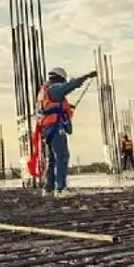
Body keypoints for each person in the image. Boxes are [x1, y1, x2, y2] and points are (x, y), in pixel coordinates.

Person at [35, 66, 97, 196]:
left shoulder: (44, 91)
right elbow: (69, 86)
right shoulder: (54, 89)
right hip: (55, 128)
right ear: (59, 79)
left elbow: (52, 108)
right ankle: (60, 189)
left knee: (52, 158)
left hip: (47, 129)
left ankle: (49, 188)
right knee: (62, 156)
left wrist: (65, 110)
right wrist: (86, 77)